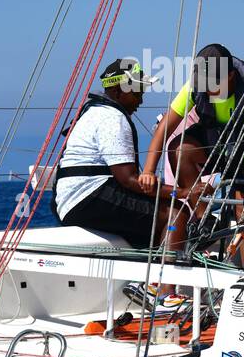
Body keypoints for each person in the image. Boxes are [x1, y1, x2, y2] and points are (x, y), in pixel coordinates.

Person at [53, 57, 200, 251]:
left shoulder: (94, 111)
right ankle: (165, 279)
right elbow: (129, 180)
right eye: (136, 93)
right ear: (117, 92)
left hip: (71, 199)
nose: (140, 100)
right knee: (175, 214)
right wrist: (183, 192)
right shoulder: (113, 119)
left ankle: (154, 267)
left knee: (161, 210)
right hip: (86, 198)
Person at [140, 43, 244, 194]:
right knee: (179, 150)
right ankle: (202, 214)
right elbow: (164, 128)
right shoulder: (195, 87)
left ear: (230, 76)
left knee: (243, 212)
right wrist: (148, 171)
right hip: (213, 141)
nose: (207, 89)